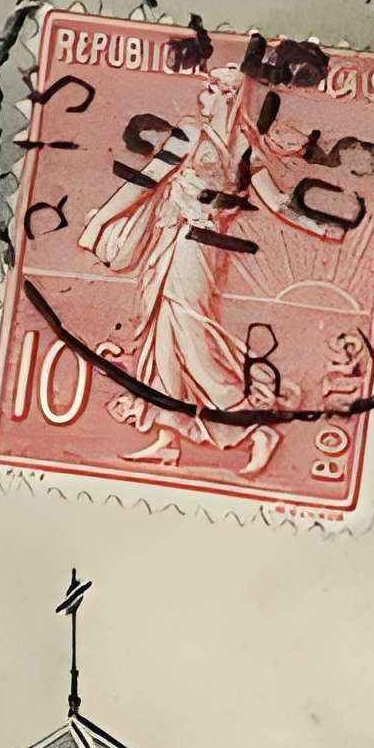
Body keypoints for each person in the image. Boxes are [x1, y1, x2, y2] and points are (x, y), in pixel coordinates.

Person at [77, 65, 357, 476]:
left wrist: (321, 227)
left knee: (190, 336)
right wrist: (101, 219)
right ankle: (166, 439)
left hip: (197, 251)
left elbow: (278, 203)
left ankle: (253, 427)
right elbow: (146, 180)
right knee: (162, 336)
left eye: (211, 88)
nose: (202, 95)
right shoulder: (195, 133)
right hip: (171, 243)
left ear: (229, 95)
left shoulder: (241, 148)